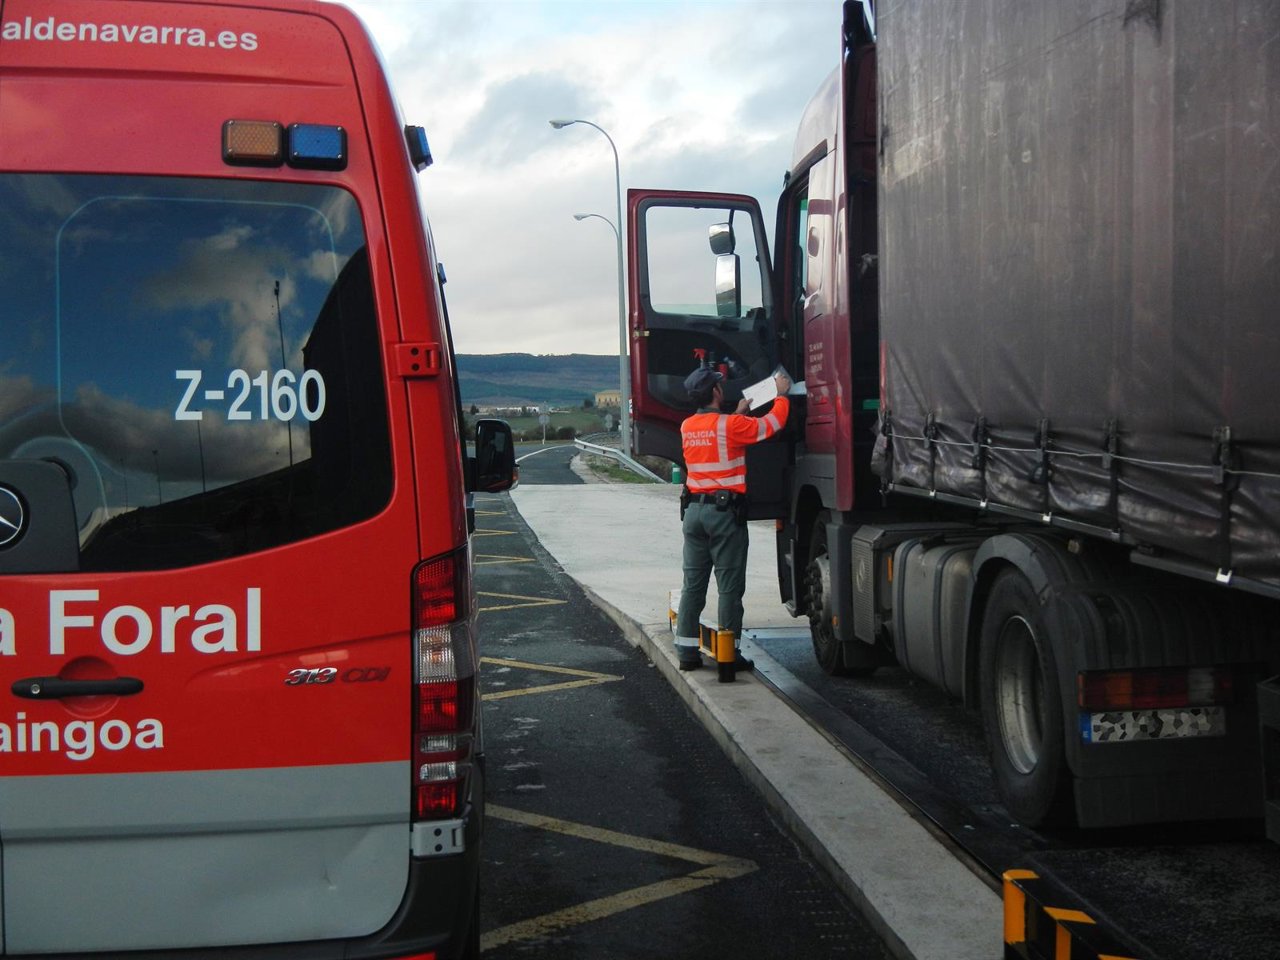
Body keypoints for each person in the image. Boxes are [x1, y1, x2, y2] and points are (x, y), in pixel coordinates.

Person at [674, 366, 791, 671]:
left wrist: (738, 413)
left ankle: (686, 653)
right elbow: (773, 424)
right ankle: (728, 657)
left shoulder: (687, 426)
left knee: (693, 585)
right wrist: (780, 395)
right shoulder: (731, 425)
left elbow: (717, 434)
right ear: (715, 392)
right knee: (729, 588)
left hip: (693, 513)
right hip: (723, 516)